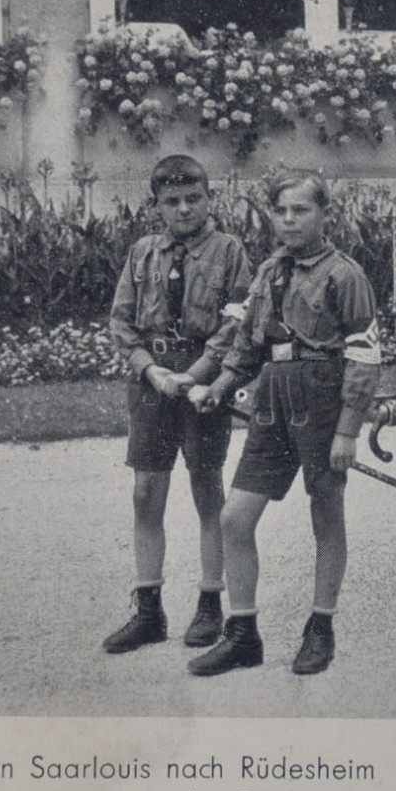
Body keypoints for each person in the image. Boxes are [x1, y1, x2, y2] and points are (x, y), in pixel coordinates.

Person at [187, 170, 383, 675]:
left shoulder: (345, 275)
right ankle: (244, 634)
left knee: (326, 517)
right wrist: (219, 387)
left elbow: (364, 357)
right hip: (272, 404)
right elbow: (247, 344)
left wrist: (346, 431)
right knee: (235, 517)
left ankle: (321, 627)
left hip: (323, 403)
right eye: (282, 210)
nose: (290, 220)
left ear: (324, 216)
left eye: (302, 210)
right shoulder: (270, 272)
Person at [104, 155, 254, 653]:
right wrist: (151, 370)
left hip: (201, 383)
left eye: (194, 199)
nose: (184, 209)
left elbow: (236, 323)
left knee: (207, 489)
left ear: (210, 199)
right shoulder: (141, 253)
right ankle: (149, 610)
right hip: (153, 382)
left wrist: (195, 376)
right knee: (146, 491)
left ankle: (210, 603)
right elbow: (122, 324)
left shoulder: (229, 251)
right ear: (157, 206)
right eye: (172, 202)